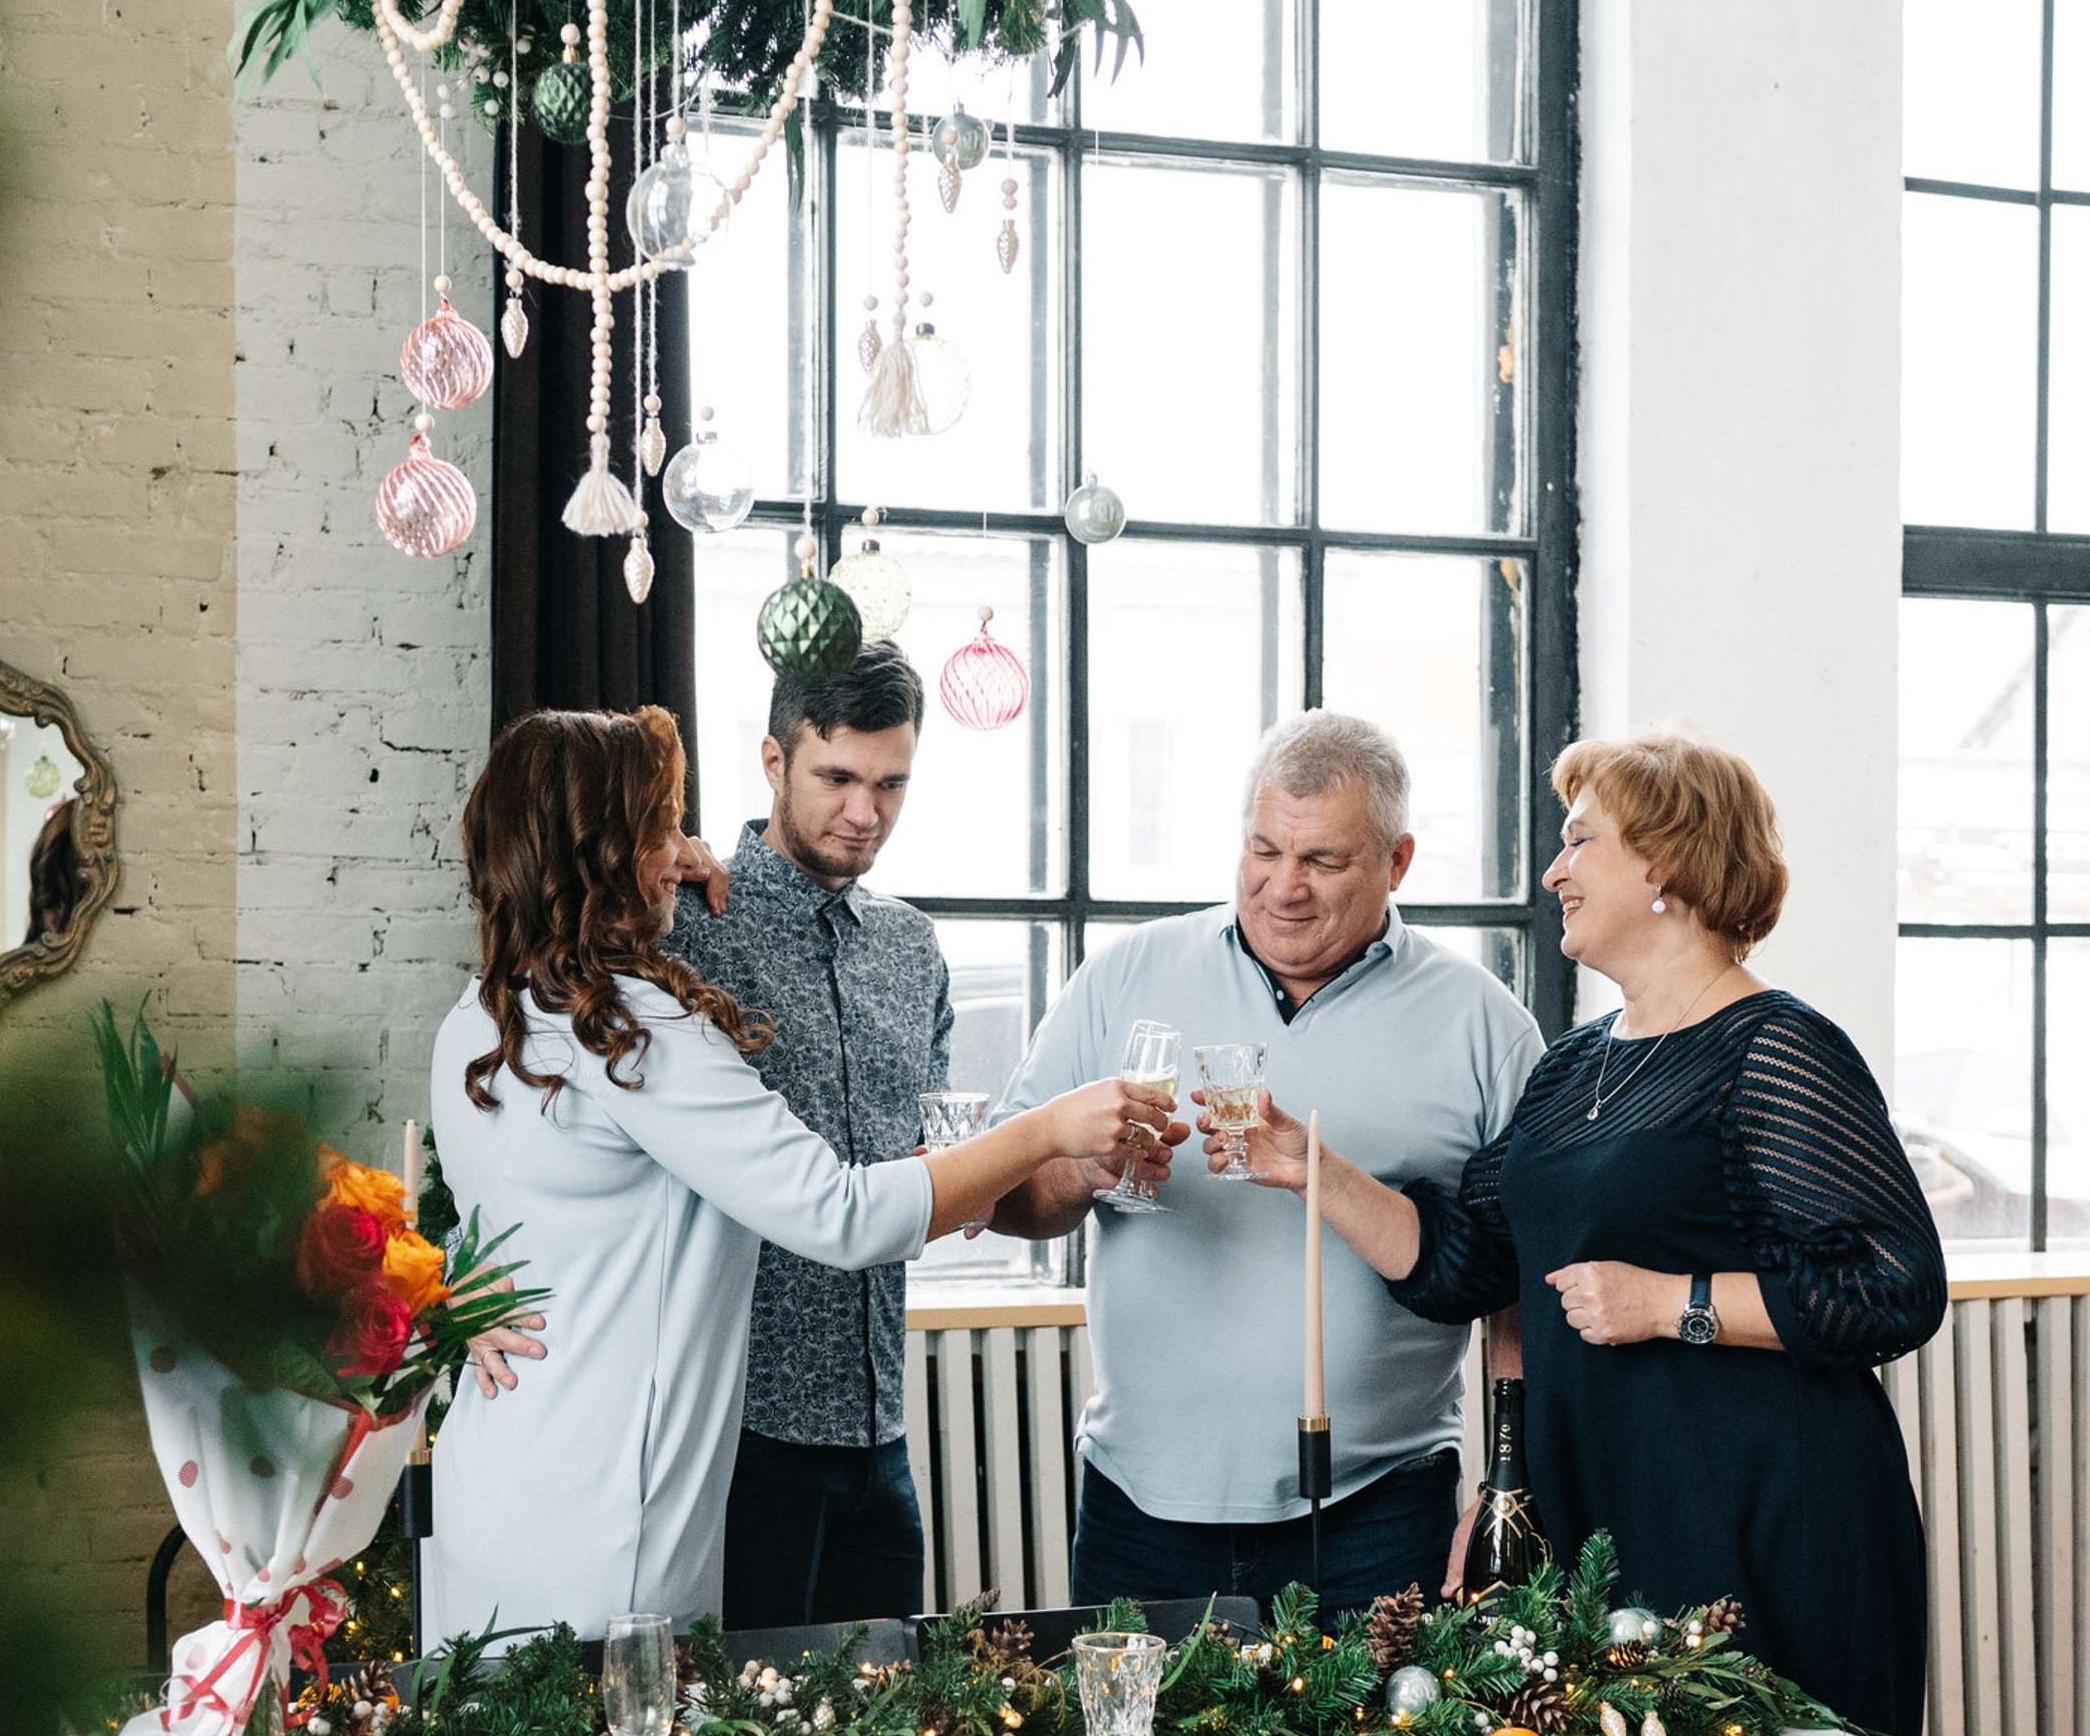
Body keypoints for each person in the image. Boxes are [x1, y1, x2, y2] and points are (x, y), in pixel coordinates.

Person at [1209, 730, 1945, 1736]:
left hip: (1764, 1516)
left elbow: (1889, 1284)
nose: (1554, 869)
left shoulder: (1777, 1046)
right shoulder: (1572, 1065)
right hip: (1606, 1514)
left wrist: (1668, 1302)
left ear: (1665, 864)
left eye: (1578, 839)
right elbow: (1472, 1261)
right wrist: (1311, 1169)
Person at [427, 705, 1171, 1642]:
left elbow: (489, 1220)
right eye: (657, 827)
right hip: (614, 1504)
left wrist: (450, 1289)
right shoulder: (634, 1027)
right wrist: (1050, 1125)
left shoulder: (479, 1018)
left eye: (891, 783)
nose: (865, 809)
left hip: (498, 1470)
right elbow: (845, 1212)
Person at [987, 711, 1544, 1624]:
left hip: (1381, 1506)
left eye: (1323, 861)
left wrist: (1513, 1478)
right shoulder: (1123, 977)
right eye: (1262, 850)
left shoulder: (1485, 1026)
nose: (1284, 886)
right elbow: (1009, 1196)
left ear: (1397, 863)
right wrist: (1081, 1169)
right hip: (1143, 1503)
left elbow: (1516, 1279)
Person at [660, 642, 949, 1633]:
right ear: (775, 763)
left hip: (882, 1435)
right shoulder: (684, 925)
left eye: (890, 783)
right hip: (737, 1438)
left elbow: (930, 1166)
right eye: (836, 777)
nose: (864, 812)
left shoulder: (915, 949)